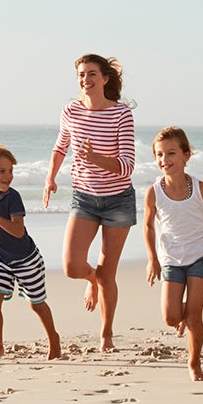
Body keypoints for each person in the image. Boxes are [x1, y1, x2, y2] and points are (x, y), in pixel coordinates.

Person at [43, 53, 136, 352]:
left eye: (92, 73)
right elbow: (61, 147)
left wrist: (95, 158)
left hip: (118, 200)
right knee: (71, 266)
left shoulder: (121, 115)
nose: (86, 79)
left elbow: (127, 166)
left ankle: (106, 334)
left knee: (109, 274)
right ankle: (91, 280)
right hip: (83, 197)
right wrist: (50, 178)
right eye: (82, 75)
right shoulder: (70, 111)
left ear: (105, 78)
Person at [143, 127, 203, 381]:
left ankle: (194, 365)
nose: (165, 160)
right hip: (171, 256)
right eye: (159, 155)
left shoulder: (199, 188)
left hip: (201, 253)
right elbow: (148, 226)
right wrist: (152, 259)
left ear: (186, 155)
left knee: (194, 316)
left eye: (171, 153)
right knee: (171, 316)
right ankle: (183, 317)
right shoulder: (154, 192)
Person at [0, 143, 61, 364]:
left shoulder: (13, 198)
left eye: (10, 171)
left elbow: (18, 231)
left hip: (26, 259)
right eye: (1, 171)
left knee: (36, 303)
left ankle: (54, 338)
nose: (8, 176)